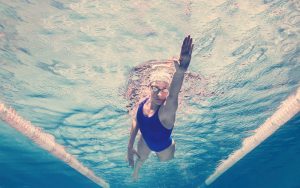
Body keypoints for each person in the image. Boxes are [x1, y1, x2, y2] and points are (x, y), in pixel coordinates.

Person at [127, 35, 194, 180]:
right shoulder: (142, 102)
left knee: (166, 161)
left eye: (164, 89)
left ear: (168, 91)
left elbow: (174, 95)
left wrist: (181, 71)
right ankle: (136, 172)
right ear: (149, 87)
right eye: (155, 88)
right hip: (145, 141)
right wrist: (129, 147)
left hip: (164, 147)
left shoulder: (166, 111)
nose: (158, 93)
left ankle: (174, 150)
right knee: (141, 159)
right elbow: (137, 121)